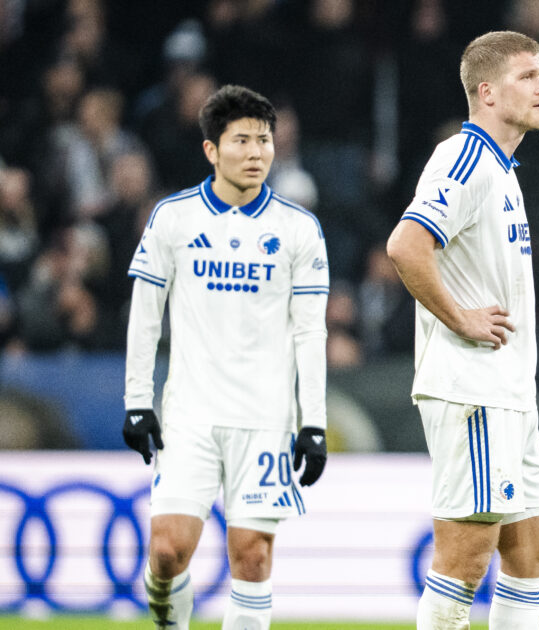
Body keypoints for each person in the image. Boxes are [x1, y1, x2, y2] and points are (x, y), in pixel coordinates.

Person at [122, 84, 330, 630]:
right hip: (190, 414)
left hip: (264, 419)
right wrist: (137, 402)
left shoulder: (299, 229)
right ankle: (171, 619)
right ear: (212, 150)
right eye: (242, 140)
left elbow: (311, 332)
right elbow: (145, 317)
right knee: (167, 552)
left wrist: (314, 423)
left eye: (265, 140)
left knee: (253, 558)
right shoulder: (172, 218)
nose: (257, 152)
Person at [385, 31, 539, 630]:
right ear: (486, 92)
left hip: (506, 389)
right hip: (473, 387)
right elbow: (406, 246)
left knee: (532, 554)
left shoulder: (503, 169)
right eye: (528, 76)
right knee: (465, 560)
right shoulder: (465, 158)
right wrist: (459, 317)